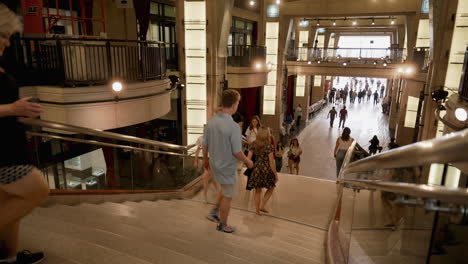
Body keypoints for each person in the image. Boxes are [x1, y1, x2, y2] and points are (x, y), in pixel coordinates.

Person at [0, 5, 50, 263]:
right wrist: (11, 108)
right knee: (38, 189)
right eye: (3, 36)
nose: (7, 43)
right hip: (3, 154)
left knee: (11, 206)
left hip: (11, 145)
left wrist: (19, 112)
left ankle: (8, 257)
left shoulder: (1, 66)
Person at [203, 89, 253, 233]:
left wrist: (205, 159)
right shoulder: (233, 127)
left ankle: (214, 212)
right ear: (233, 105)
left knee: (224, 190)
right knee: (228, 196)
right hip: (227, 167)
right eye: (237, 102)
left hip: (214, 163)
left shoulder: (211, 121)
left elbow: (205, 143)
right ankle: (223, 225)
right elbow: (237, 152)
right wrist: (248, 162)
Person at [247, 127, 278, 215]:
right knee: (271, 187)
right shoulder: (269, 146)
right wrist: (275, 174)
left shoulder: (254, 144)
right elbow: (271, 162)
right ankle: (262, 205)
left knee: (257, 191)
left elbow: (248, 158)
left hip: (256, 169)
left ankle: (257, 211)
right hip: (266, 169)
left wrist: (252, 164)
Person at [193, 134, 221, 203]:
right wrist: (195, 160)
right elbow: (198, 150)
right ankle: (220, 194)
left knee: (205, 177)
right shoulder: (200, 138)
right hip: (205, 160)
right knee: (213, 179)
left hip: (213, 160)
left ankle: (205, 197)